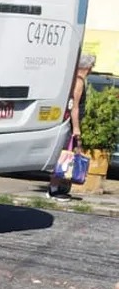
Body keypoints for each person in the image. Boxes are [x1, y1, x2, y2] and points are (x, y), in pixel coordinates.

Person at [48, 52, 96, 198]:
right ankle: (53, 189)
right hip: (70, 124)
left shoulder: (74, 79)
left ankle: (60, 187)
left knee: (66, 155)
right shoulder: (79, 81)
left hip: (69, 123)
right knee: (64, 156)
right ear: (88, 67)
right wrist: (76, 128)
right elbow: (74, 106)